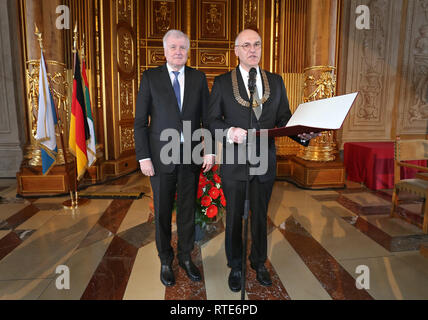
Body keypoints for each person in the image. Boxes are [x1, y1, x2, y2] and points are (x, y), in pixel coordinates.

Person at [207, 29, 318, 292]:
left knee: (260, 216)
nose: (252, 49)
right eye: (246, 45)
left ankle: (258, 263)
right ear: (236, 51)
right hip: (234, 163)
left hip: (265, 161)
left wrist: (301, 133)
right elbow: (211, 121)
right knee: (234, 217)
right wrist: (228, 131)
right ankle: (235, 265)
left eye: (256, 44)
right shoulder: (222, 82)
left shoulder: (276, 82)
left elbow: (284, 119)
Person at [134, 29, 214, 287]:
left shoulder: (198, 78)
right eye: (173, 47)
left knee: (188, 211)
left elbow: (208, 118)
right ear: (165, 50)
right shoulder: (150, 77)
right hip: (159, 158)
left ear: (188, 51)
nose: (178, 51)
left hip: (190, 156)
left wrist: (210, 150)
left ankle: (185, 257)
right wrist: (144, 157)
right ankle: (166, 259)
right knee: (162, 211)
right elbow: (139, 123)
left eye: (182, 47)